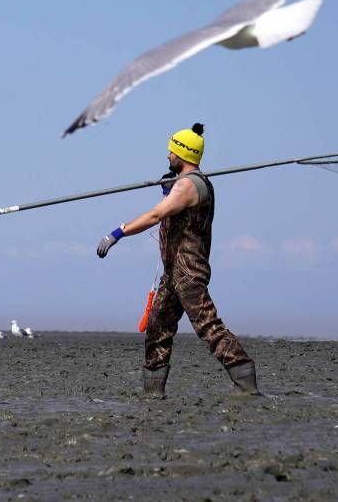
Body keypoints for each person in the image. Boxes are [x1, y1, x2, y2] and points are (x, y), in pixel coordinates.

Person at [97, 123, 260, 398]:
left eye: (171, 152)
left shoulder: (189, 185)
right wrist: (167, 190)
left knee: (208, 326)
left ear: (182, 154)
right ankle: (152, 392)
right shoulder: (182, 185)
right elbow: (173, 211)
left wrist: (118, 232)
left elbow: (155, 216)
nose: (167, 157)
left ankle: (246, 383)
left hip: (188, 272)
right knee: (157, 328)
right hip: (173, 272)